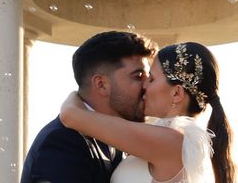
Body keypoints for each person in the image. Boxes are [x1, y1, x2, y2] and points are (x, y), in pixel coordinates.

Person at [60, 42, 237, 183]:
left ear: (176, 93)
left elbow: (70, 115)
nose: (144, 85)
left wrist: (76, 93)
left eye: (151, 78)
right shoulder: (173, 140)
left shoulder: (172, 141)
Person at [20, 31, 157, 183]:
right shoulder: (63, 141)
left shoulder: (116, 139)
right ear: (101, 84)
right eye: (138, 77)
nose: (148, 86)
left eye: (149, 78)